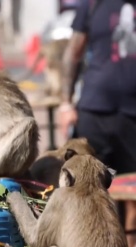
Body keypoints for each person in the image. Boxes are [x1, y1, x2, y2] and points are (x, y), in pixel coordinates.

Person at [59, 0, 136, 246]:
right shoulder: (92, 5)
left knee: (133, 194)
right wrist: (66, 103)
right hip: (94, 112)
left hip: (132, 117)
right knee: (88, 190)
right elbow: (73, 53)